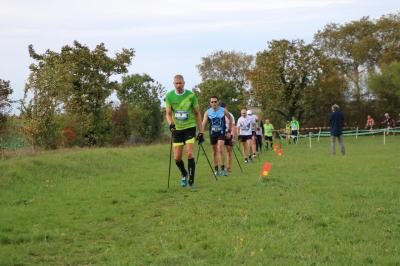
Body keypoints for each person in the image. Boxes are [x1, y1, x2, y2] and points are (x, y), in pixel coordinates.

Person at [165, 75, 203, 188]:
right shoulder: (169, 96)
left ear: (184, 83)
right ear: (173, 84)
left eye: (180, 83)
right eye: (176, 83)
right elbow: (168, 113)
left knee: (190, 153)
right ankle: (184, 173)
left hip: (190, 127)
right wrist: (170, 123)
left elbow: (197, 113)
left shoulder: (191, 95)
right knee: (177, 158)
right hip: (177, 129)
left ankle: (191, 180)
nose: (178, 85)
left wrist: (201, 131)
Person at [201, 96, 232, 177]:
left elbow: (230, 119)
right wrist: (201, 133)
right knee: (214, 151)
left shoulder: (223, 110)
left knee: (220, 149)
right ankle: (216, 169)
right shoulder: (207, 112)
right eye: (212, 102)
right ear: (210, 103)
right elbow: (203, 123)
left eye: (215, 102)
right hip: (212, 133)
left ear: (217, 102)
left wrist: (229, 131)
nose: (214, 103)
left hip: (221, 133)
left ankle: (223, 169)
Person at [220, 102, 235, 173]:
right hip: (221, 134)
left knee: (229, 150)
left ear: (226, 108)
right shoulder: (219, 114)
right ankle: (223, 166)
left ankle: (229, 167)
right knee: (221, 150)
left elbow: (233, 125)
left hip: (229, 134)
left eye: (224, 108)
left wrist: (233, 135)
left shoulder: (230, 115)